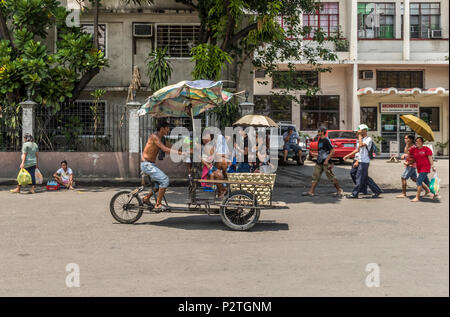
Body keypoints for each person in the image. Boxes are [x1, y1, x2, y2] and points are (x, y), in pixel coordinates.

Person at [141, 119, 188, 210]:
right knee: (165, 180)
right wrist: (181, 153)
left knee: (159, 184)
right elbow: (165, 149)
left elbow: (171, 147)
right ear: (162, 128)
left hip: (150, 164)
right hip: (147, 164)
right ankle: (158, 204)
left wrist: (185, 150)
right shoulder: (154, 137)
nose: (168, 130)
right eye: (167, 128)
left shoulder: (162, 138)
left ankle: (146, 198)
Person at [302, 126, 343, 197]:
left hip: (326, 163)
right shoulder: (319, 140)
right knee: (315, 176)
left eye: (319, 131)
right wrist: (316, 155)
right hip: (319, 162)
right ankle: (311, 192)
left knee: (331, 177)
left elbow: (332, 151)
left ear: (322, 132)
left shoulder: (326, 140)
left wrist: (327, 160)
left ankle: (339, 190)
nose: (317, 132)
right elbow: (321, 151)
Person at [346, 124, 382, 199]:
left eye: (360, 131)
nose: (358, 132)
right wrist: (349, 156)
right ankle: (376, 190)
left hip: (364, 162)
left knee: (359, 177)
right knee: (363, 177)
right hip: (361, 160)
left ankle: (355, 193)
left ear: (365, 131)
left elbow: (362, 145)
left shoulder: (368, 139)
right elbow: (359, 150)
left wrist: (359, 136)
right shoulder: (361, 139)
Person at [409, 137, 437, 202]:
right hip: (419, 168)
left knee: (419, 181)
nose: (417, 142)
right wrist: (408, 162)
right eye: (416, 141)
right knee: (427, 182)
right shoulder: (414, 150)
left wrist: (433, 166)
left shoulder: (426, 149)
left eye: (419, 141)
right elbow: (412, 157)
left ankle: (417, 197)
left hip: (426, 167)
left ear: (422, 142)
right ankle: (435, 193)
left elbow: (430, 158)